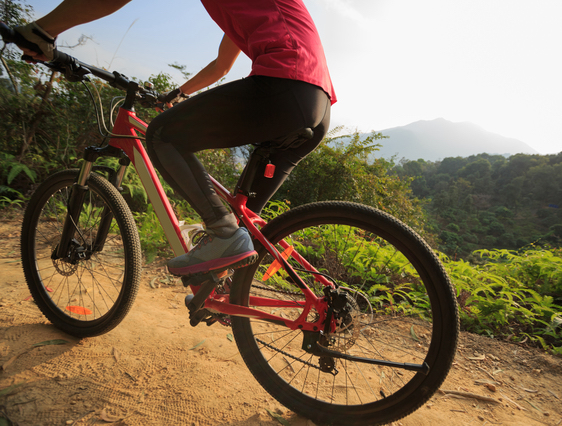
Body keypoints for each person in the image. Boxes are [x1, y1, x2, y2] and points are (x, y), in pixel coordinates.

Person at [15, 0, 336, 277]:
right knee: (244, 230)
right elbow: (222, 65)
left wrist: (43, 30)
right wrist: (179, 93)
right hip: (316, 105)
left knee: (162, 136)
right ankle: (221, 293)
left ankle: (221, 233)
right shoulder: (253, 11)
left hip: (286, 81)